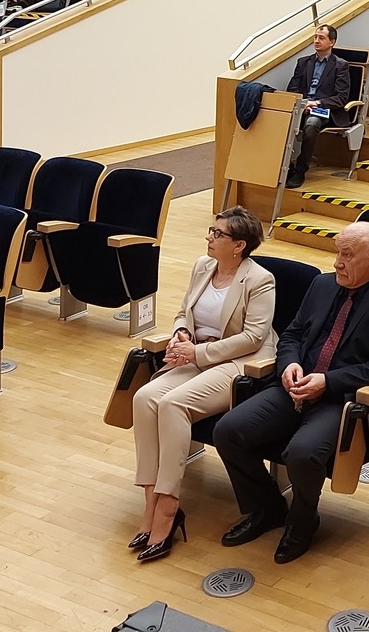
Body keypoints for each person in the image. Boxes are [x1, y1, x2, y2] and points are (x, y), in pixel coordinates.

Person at [212, 223, 369, 564]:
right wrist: (289, 364)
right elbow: (292, 334)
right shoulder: (322, 284)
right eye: (338, 252)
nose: (338, 262)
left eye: (347, 255)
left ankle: (303, 520)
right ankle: (267, 507)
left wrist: (328, 381)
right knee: (228, 431)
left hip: (340, 399)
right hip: (293, 387)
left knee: (303, 453)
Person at [130, 208, 277, 563]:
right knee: (144, 397)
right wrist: (181, 333)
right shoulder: (202, 266)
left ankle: (168, 506)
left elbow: (254, 337)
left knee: (173, 404)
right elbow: (184, 312)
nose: (209, 237)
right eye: (212, 230)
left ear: (239, 245)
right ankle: (150, 502)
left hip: (239, 361)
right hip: (196, 353)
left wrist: (197, 352)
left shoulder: (260, 279)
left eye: (218, 233)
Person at [285, 24, 352, 190]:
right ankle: (284, 166)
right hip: (302, 106)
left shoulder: (340, 65)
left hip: (324, 109)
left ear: (332, 42)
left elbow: (341, 97)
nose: (316, 41)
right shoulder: (303, 62)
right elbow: (292, 88)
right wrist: (304, 102)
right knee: (279, 119)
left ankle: (301, 169)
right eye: (315, 37)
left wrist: (316, 103)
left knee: (312, 123)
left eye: (321, 38)